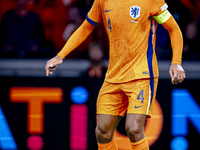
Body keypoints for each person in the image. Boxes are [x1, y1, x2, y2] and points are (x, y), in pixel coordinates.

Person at [45, 0, 186, 149]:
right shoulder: (102, 1)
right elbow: (86, 27)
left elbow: (173, 29)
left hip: (141, 74)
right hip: (114, 76)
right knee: (102, 132)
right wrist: (60, 55)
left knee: (134, 129)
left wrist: (176, 62)